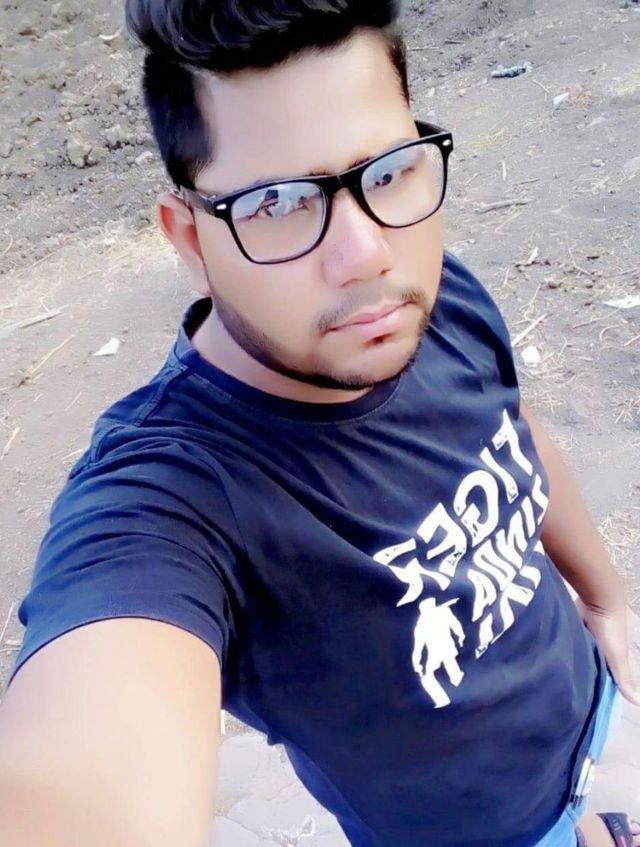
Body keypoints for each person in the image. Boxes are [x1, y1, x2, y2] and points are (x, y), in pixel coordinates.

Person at [0, 2, 638, 845]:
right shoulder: (176, 499)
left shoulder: (435, 301)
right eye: (277, 204)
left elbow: (514, 433)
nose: (365, 253)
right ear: (189, 239)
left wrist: (607, 599)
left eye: (389, 172)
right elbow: (92, 748)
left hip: (593, 709)